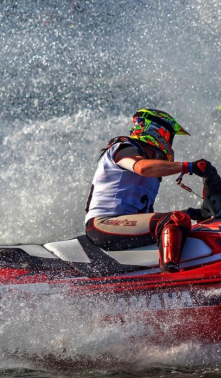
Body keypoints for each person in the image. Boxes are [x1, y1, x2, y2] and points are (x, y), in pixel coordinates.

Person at [84, 109, 212, 273]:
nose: (170, 144)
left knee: (181, 220)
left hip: (121, 224)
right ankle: (171, 280)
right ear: (158, 131)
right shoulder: (123, 148)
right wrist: (188, 166)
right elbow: (142, 167)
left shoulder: (153, 172)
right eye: (170, 136)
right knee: (173, 220)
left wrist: (192, 213)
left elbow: (143, 217)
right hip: (102, 224)